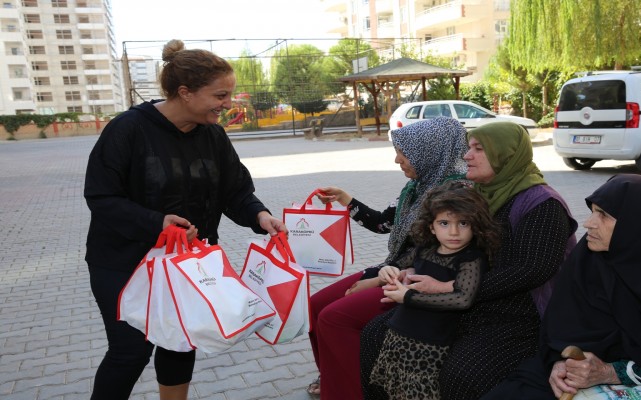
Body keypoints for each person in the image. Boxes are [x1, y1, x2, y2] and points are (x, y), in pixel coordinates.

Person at [83, 39, 286, 400]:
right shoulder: (128, 130)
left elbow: (235, 190)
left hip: (187, 263)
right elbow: (101, 196)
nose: (227, 104)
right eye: (220, 96)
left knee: (180, 342)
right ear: (185, 93)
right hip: (124, 261)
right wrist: (156, 222)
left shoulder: (213, 136)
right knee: (130, 351)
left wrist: (261, 215)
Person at [359, 121, 577, 399]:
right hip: (467, 300)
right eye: (468, 147)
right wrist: (412, 269)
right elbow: (440, 243)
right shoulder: (478, 194)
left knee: (463, 372)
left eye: (478, 149)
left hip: (518, 314)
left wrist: (449, 287)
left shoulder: (541, 204)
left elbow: (531, 270)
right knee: (376, 336)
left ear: (504, 155)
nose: (466, 156)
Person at [481, 174, 641, 399]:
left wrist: (612, 371)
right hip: (578, 370)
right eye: (592, 212)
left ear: (640, 224)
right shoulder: (589, 258)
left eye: (603, 215)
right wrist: (560, 362)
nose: (588, 223)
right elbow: (563, 325)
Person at [306, 117, 470, 399]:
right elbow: (383, 224)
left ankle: (350, 391)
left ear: (427, 151)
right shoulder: (415, 188)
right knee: (315, 304)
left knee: (334, 319)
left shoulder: (456, 194)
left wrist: (374, 282)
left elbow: (430, 254)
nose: (397, 160)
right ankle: (333, 375)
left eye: (403, 152)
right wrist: (346, 199)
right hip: (390, 270)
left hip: (416, 278)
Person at [362, 181, 500, 400]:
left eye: (463, 223)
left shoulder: (471, 259)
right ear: (431, 227)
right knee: (393, 390)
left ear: (475, 225)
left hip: (430, 346)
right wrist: (388, 270)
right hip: (398, 335)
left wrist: (408, 297)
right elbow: (399, 264)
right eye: (444, 223)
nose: (454, 232)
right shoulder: (426, 249)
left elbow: (463, 299)